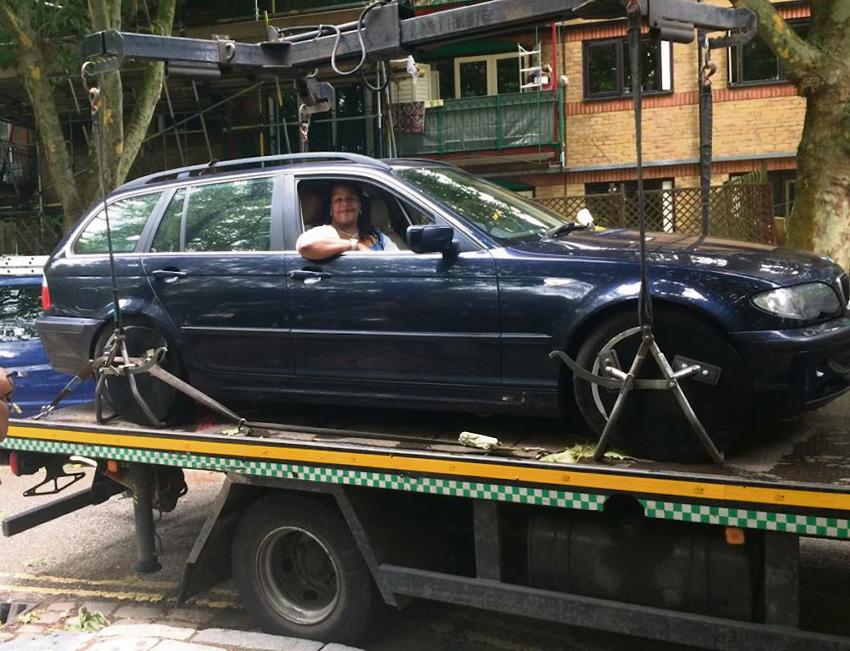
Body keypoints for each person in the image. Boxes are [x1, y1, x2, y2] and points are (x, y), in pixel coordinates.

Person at [296, 182, 399, 260]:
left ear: (360, 206)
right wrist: (354, 245)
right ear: (331, 208)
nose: (345, 204)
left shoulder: (378, 237)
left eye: (351, 199)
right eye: (338, 200)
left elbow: (398, 265)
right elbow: (304, 246)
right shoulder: (326, 232)